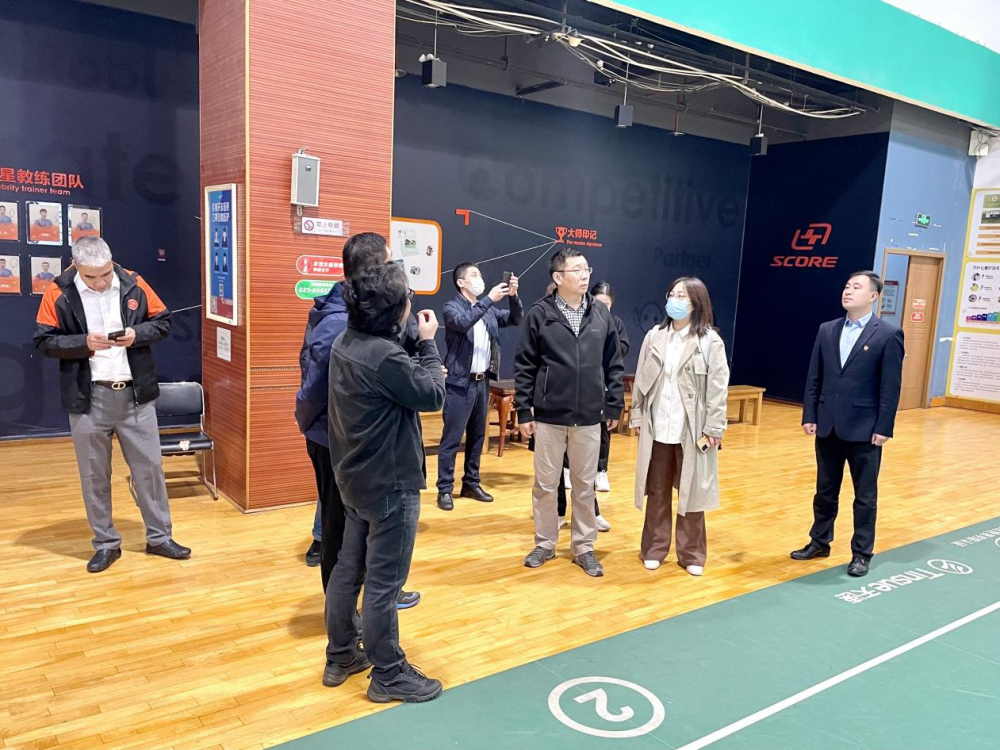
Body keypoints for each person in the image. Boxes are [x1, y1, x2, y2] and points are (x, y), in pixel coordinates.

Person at [324, 263, 446, 702]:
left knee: (349, 570)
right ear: (396, 311)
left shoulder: (345, 341)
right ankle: (389, 674)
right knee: (383, 584)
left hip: (353, 475)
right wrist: (428, 345)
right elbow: (433, 395)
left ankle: (341, 654)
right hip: (390, 482)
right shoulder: (386, 358)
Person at [33, 236, 190, 572]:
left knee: (150, 471)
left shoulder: (134, 283)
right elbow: (43, 341)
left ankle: (160, 538)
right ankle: (105, 544)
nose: (101, 281)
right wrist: (83, 343)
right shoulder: (58, 291)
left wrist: (137, 335)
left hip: (136, 396)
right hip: (88, 398)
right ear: (76, 266)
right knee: (94, 476)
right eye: (91, 276)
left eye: (105, 273)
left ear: (111, 261)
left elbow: (163, 322)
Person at [295, 231, 421, 608]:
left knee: (359, 528)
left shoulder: (353, 313)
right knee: (339, 534)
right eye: (391, 262)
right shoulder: (339, 321)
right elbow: (316, 386)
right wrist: (310, 424)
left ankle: (375, 595)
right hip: (337, 437)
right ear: (376, 271)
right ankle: (345, 617)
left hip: (346, 435)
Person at [515, 248, 624, 577]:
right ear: (558, 277)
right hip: (549, 417)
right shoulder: (540, 313)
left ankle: (584, 547)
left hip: (589, 416)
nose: (584, 275)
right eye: (576, 270)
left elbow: (613, 362)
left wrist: (614, 403)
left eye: (586, 268)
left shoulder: (601, 314)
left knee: (584, 485)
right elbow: (525, 365)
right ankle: (545, 543)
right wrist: (524, 411)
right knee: (545, 485)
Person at [791, 271, 904, 578]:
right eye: (846, 286)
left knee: (864, 496)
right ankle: (819, 541)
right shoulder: (827, 329)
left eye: (856, 287)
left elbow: (890, 387)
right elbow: (815, 376)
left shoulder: (888, 334)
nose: (848, 291)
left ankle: (861, 553)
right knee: (825, 490)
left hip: (865, 429)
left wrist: (884, 427)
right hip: (828, 424)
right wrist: (810, 414)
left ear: (873, 296)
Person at [630, 277, 729, 576]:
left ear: (696, 303)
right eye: (672, 294)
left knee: (692, 494)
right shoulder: (654, 336)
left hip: (693, 430)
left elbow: (718, 389)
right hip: (658, 427)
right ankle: (654, 549)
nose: (674, 300)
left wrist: (714, 427)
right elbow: (641, 380)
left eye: (682, 296)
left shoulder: (710, 342)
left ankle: (692, 555)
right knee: (657, 491)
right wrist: (637, 416)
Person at [436, 263, 523, 511]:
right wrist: (489, 300)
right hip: (459, 383)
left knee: (477, 437)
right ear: (461, 283)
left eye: (480, 275)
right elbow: (463, 322)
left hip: (482, 382)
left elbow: (515, 319)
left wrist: (513, 297)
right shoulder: (451, 307)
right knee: (452, 438)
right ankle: (445, 488)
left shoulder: (488, 311)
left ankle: (471, 483)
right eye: (474, 275)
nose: (480, 279)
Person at [591, 281, 631, 499]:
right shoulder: (583, 318)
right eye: (598, 302)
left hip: (605, 384)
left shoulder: (615, 322)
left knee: (603, 429)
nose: (602, 308)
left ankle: (601, 470)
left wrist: (609, 346)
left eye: (606, 304)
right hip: (583, 383)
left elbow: (623, 347)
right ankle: (567, 468)